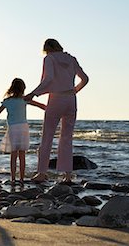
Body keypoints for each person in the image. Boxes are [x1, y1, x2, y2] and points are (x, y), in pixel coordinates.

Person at [25, 38, 89, 183]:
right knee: (66, 138)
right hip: (71, 100)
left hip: (56, 99)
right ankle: (67, 176)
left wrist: (34, 93)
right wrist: (74, 91)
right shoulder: (71, 59)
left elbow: (48, 79)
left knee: (47, 136)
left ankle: (42, 173)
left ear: (47, 48)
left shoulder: (50, 58)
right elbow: (85, 78)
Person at [0, 78, 46, 184]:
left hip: (13, 128)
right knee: (22, 155)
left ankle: (13, 178)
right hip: (23, 128)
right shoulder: (24, 99)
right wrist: (54, 111)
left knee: (13, 155)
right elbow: (41, 106)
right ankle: (21, 178)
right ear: (22, 89)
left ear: (12, 88)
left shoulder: (8, 101)